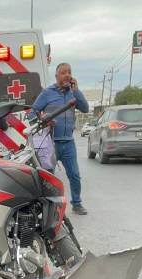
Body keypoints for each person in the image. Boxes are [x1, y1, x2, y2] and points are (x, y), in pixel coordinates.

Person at [31, 63, 89, 215]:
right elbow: (33, 112)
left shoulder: (73, 93)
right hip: (51, 142)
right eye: (63, 72)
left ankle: (76, 203)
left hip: (68, 142)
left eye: (69, 72)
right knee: (49, 176)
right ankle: (46, 206)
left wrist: (76, 90)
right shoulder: (47, 93)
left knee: (75, 175)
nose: (67, 75)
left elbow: (85, 108)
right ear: (56, 76)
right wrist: (43, 118)